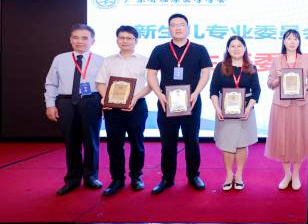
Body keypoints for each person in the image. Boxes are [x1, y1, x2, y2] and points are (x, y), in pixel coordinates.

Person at [146, 13, 213, 194]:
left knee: (192, 140)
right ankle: (167, 178)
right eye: (173, 25)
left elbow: (206, 72)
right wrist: (159, 94)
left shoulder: (199, 49)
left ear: (188, 28)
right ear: (169, 29)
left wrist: (196, 93)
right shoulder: (160, 50)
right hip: (166, 103)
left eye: (181, 24)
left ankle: (194, 176)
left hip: (191, 102)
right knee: (168, 142)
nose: (178, 28)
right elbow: (151, 74)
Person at [44, 24, 104, 196]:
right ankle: (72, 179)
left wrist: (107, 104)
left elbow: (105, 85)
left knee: (91, 141)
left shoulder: (101, 60)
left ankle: (91, 177)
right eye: (75, 37)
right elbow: (51, 83)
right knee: (71, 142)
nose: (80, 41)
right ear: (70, 40)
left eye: (85, 38)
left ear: (93, 41)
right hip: (66, 102)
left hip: (91, 101)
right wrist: (50, 104)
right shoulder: (60, 59)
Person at [96, 25, 151, 196]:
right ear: (117, 40)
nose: (125, 41)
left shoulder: (145, 60)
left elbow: (151, 85)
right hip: (113, 108)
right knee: (114, 145)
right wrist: (105, 98)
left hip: (137, 106)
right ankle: (117, 179)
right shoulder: (108, 60)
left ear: (136, 41)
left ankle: (136, 177)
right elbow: (100, 83)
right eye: (121, 37)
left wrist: (134, 98)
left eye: (129, 38)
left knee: (137, 144)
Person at [265, 29, 308, 191]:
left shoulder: (306, 59)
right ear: (284, 41)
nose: (292, 41)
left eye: (295, 38)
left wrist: (307, 87)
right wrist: (278, 79)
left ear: (299, 42)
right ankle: (287, 174)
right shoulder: (276, 60)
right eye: (289, 38)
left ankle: (296, 174)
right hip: (281, 105)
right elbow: (269, 83)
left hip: (301, 105)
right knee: (283, 140)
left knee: (300, 139)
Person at [210, 36, 261, 191]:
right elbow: (213, 90)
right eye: (233, 46)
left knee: (241, 144)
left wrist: (248, 108)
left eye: (239, 46)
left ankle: (238, 175)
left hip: (245, 110)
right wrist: (217, 108)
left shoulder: (251, 68)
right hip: (225, 111)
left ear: (245, 48)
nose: (236, 49)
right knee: (227, 144)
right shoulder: (220, 67)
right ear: (228, 49)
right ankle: (228, 175)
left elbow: (256, 91)